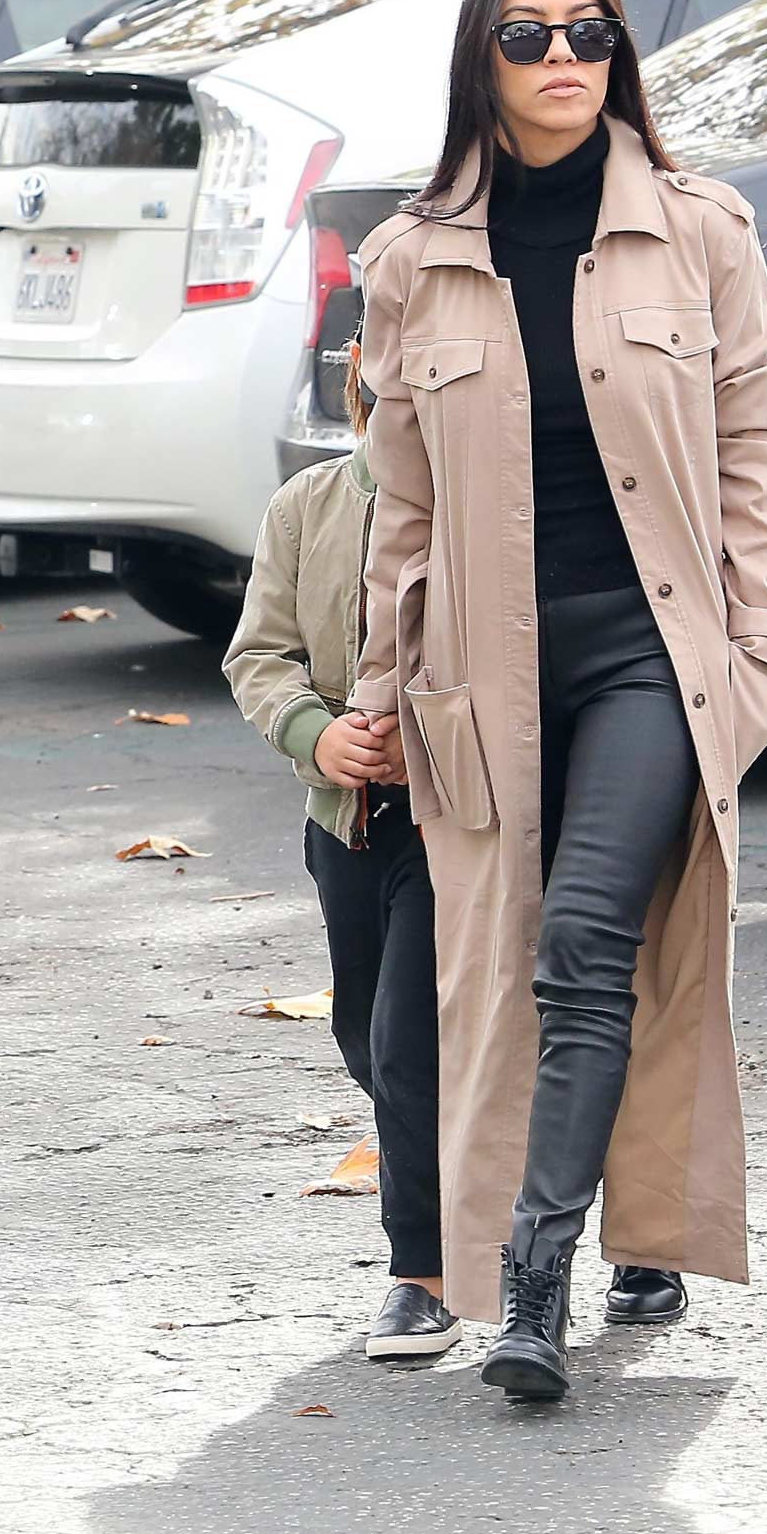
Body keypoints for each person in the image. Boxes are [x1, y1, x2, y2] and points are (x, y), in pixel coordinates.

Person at [348, 0, 767, 1402]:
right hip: (485, 668)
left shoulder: (701, 230)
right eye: (529, 37)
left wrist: (760, 651)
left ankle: (534, 1281)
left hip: (654, 658)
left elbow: (752, 455)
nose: (563, 62)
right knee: (504, 969)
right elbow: (398, 510)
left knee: (588, 941)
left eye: (589, 34)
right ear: (480, 58)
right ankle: (615, 1228)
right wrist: (377, 694)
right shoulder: (415, 260)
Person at [224, 341, 460, 1363]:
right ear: (356, 369)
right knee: (366, 1039)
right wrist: (316, 733)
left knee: (411, 1040)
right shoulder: (308, 504)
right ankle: (481, 1179)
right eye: (382, 358)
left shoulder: (475, 503)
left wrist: (428, 735)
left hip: (453, 821)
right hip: (344, 819)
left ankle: (426, 1271)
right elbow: (258, 654)